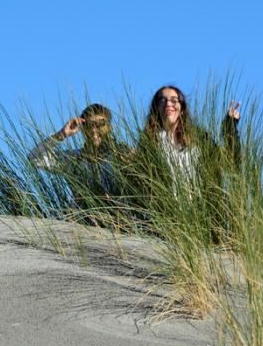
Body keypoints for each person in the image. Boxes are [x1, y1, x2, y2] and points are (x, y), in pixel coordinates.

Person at [132, 85, 242, 241]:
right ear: (156, 107)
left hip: (202, 220)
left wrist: (230, 126)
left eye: (173, 100)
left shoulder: (199, 138)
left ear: (182, 108)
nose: (168, 104)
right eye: (162, 100)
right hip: (166, 223)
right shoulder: (149, 142)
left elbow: (231, 164)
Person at [28, 103, 130, 224]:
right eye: (88, 125)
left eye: (100, 125)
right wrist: (62, 134)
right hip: (81, 225)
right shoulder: (74, 158)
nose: (93, 130)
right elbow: (34, 158)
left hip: (119, 224)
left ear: (109, 127)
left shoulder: (122, 156)